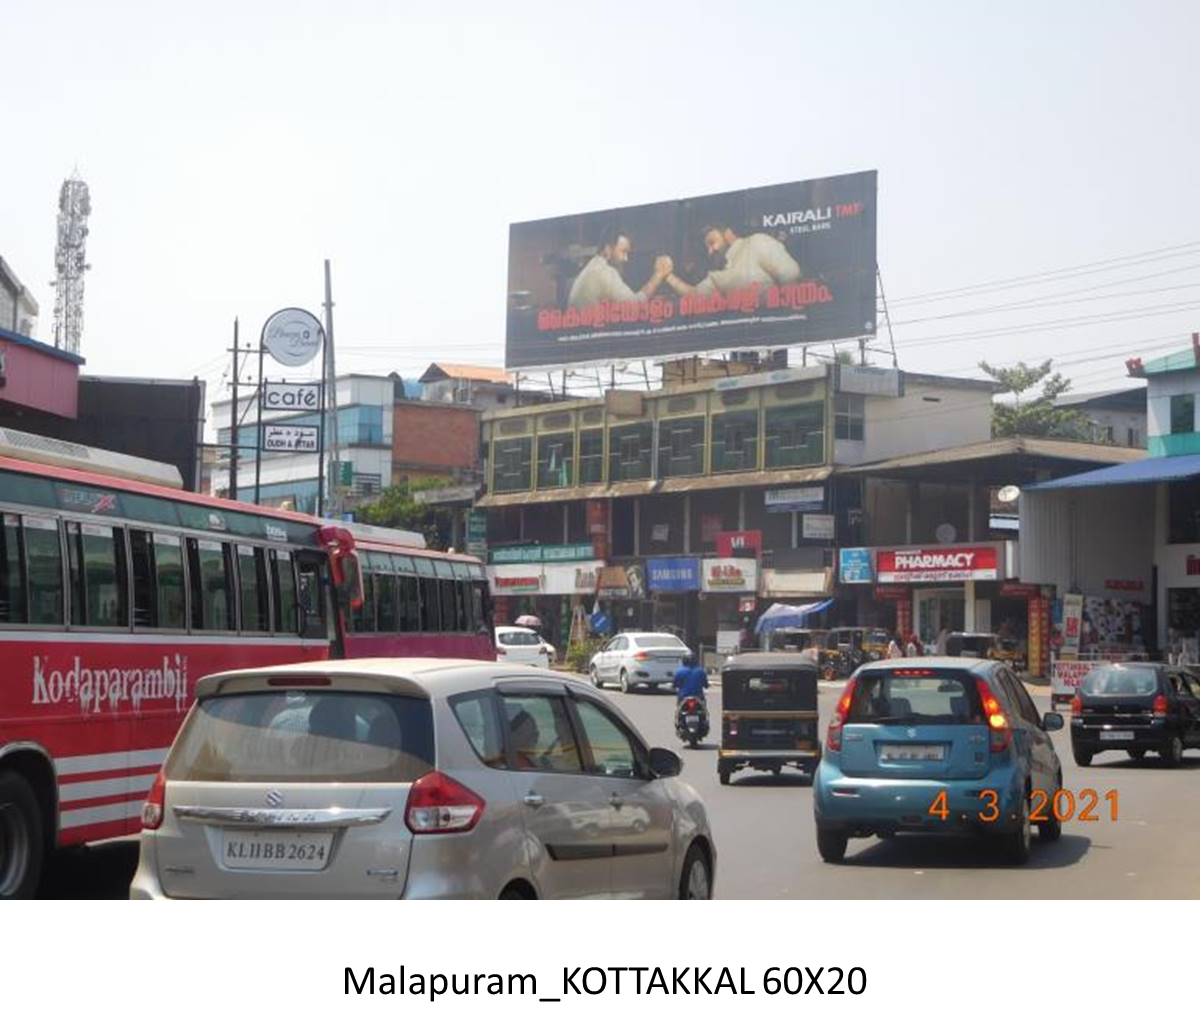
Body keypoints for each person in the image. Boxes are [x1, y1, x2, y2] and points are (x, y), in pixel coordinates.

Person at [664, 222, 801, 297]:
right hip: (743, 339)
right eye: (707, 249)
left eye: (712, 242)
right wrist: (666, 275)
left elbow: (790, 275)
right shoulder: (717, 275)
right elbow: (695, 295)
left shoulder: (756, 242)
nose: (711, 251)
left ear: (728, 234)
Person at [567, 225, 672, 308]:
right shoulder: (604, 272)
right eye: (623, 252)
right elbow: (635, 306)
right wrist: (658, 275)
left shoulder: (594, 266)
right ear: (608, 249)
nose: (626, 259)